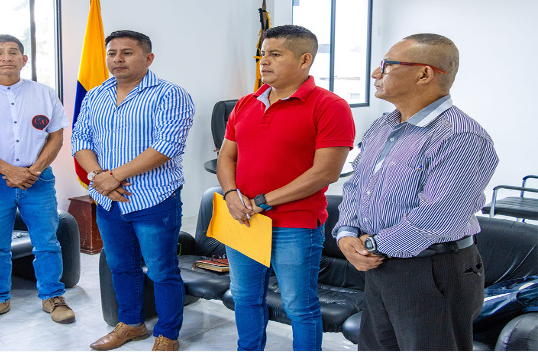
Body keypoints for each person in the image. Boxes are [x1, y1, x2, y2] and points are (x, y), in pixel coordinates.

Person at [333, 33, 499, 350]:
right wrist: (346, 232)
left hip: (431, 271)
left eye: (386, 65)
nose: (375, 73)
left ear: (424, 74)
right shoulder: (383, 126)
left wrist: (369, 244)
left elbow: (437, 217)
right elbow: (357, 186)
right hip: (380, 263)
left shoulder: (460, 136)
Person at [217, 24, 355, 351]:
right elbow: (226, 157)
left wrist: (262, 201)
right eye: (263, 54)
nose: (264, 62)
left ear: (305, 60)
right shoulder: (246, 103)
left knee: (298, 306)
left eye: (275, 54)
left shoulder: (330, 105)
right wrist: (231, 195)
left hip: (295, 224)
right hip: (244, 218)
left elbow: (325, 172)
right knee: (245, 297)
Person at [71, 30, 195, 351]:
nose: (117, 59)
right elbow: (80, 139)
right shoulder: (95, 95)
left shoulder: (170, 94)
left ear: (148, 58)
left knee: (162, 270)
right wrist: (98, 176)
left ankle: (167, 333)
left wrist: (113, 176)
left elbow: (166, 146)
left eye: (127, 53)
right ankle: (131, 324)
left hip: (154, 198)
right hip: (109, 201)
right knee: (120, 266)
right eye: (112, 53)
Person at [0, 34, 74, 326]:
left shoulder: (44, 93)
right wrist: (10, 171)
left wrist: (33, 171)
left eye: (13, 52)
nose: (6, 57)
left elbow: (56, 137)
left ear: (24, 59)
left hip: (38, 181)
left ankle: (53, 297)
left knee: (47, 241)